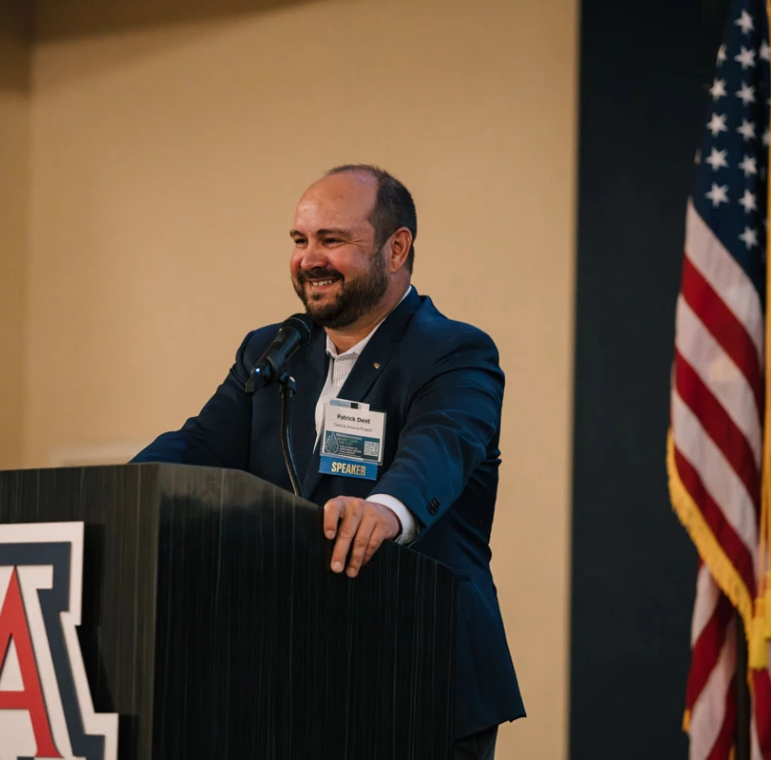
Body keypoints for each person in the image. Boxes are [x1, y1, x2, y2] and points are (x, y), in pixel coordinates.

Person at [131, 164, 524, 759]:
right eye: (300, 240)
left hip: (419, 675)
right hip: (290, 675)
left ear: (397, 248)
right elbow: (198, 446)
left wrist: (386, 511)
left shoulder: (452, 350)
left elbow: (441, 447)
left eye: (332, 240)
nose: (309, 258)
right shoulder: (272, 351)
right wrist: (113, 488)